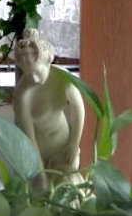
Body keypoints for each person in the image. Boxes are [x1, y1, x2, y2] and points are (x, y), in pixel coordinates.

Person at [12, 28, 85, 182]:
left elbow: (78, 108)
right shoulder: (22, 94)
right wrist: (40, 173)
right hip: (36, 157)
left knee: (69, 184)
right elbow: (29, 137)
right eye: (28, 74)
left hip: (64, 148)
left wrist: (74, 143)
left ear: (47, 61)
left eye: (38, 72)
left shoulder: (63, 78)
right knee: (40, 194)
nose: (34, 79)